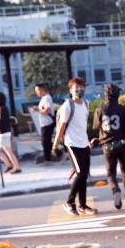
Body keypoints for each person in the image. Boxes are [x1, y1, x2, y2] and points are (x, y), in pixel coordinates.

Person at [53, 77, 97, 216]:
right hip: (72, 143)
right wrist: (55, 145)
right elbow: (62, 126)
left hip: (84, 143)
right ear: (70, 90)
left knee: (84, 175)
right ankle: (69, 202)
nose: (80, 90)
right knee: (80, 173)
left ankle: (82, 205)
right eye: (76, 88)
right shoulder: (68, 106)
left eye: (82, 87)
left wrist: (88, 141)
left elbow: (82, 125)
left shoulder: (86, 104)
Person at [92, 84, 125, 209]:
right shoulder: (123, 110)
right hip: (122, 144)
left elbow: (96, 126)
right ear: (118, 95)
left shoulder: (100, 109)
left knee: (111, 173)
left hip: (107, 146)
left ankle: (115, 190)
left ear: (105, 95)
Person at [0, 92, 21, 174]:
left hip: (3, 133)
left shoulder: (2, 109)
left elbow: (0, 123)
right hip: (3, 133)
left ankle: (16, 167)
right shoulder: (3, 108)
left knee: (7, 151)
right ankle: (9, 165)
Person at [31, 83, 56, 162]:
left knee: (45, 142)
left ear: (42, 89)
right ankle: (56, 152)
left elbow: (47, 111)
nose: (37, 92)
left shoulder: (47, 98)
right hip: (44, 123)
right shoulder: (43, 99)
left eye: (37, 90)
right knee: (46, 141)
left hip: (48, 123)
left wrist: (37, 109)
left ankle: (48, 159)